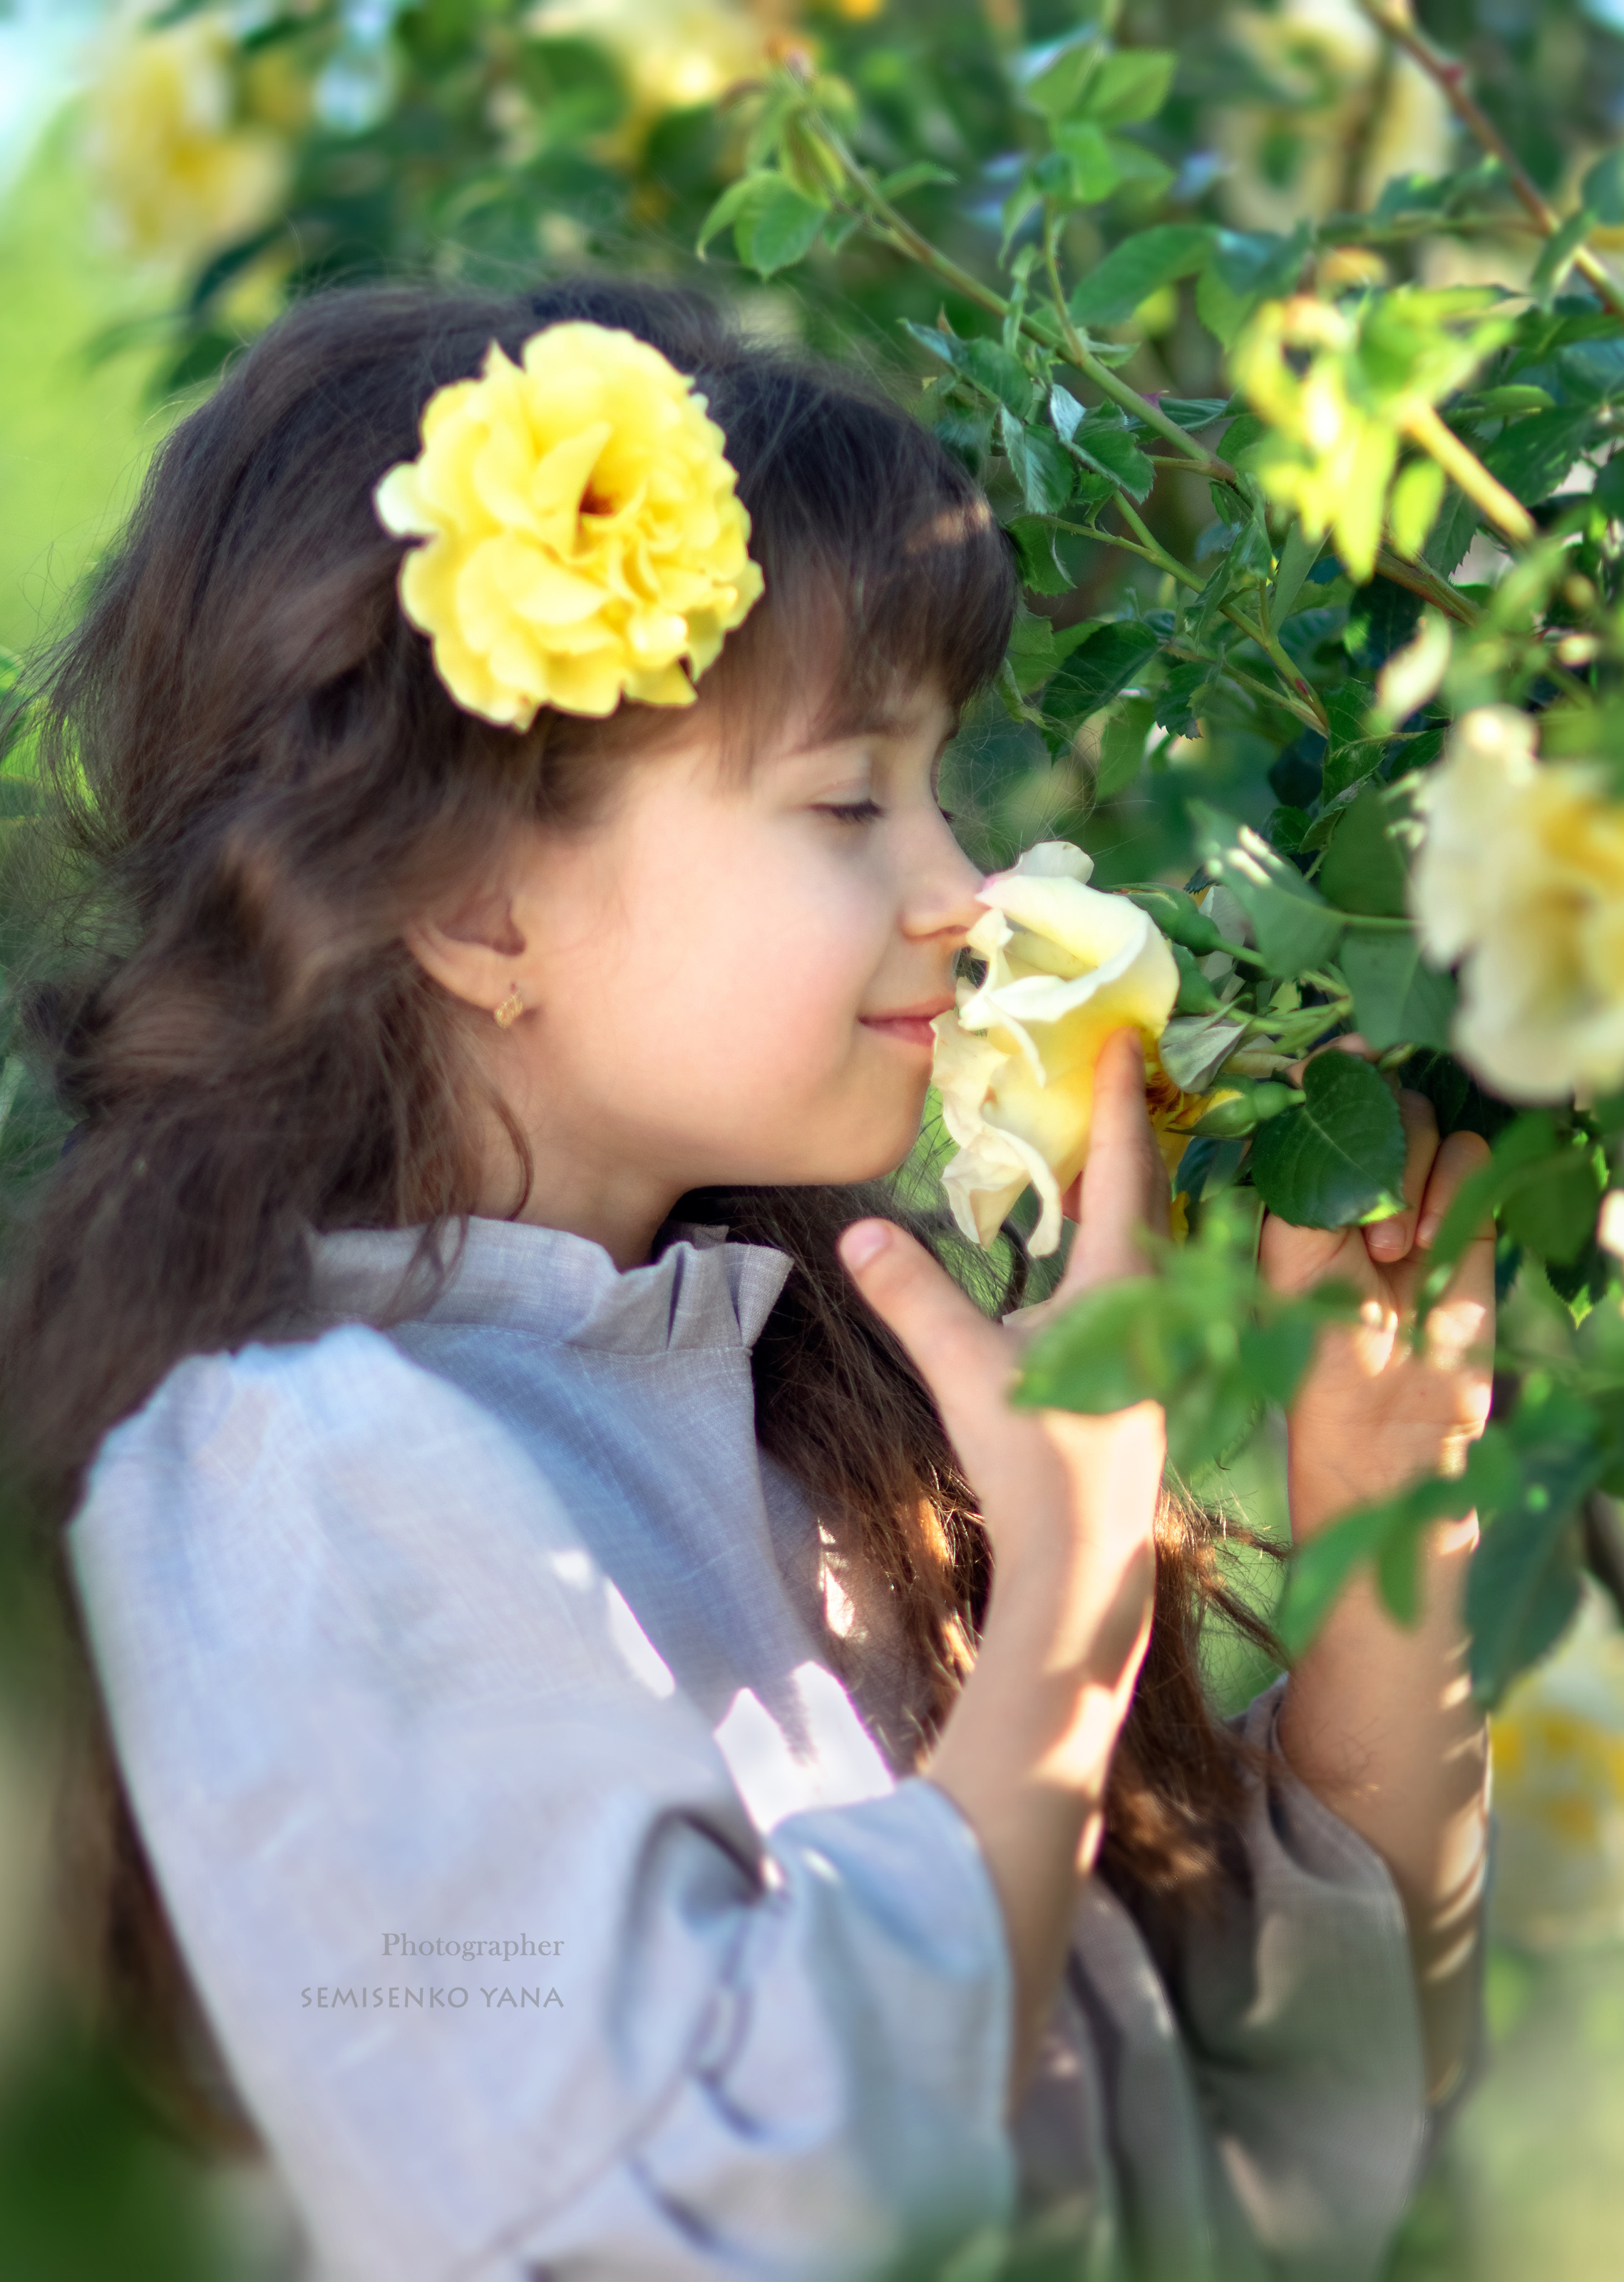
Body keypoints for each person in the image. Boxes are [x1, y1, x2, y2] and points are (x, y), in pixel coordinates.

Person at [1, 278, 1494, 2282]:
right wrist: (1061, 1625)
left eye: (939, 783)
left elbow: (1291, 2143)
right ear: (471, 899)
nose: (959, 885)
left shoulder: (825, 1410)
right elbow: (716, 2227)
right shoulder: (290, 1480)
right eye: (848, 798)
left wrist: (1387, 1488)